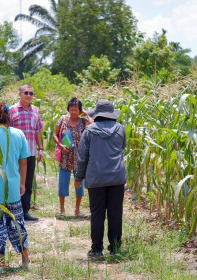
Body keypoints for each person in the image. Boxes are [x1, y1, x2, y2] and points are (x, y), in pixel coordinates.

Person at [0, 102, 31, 268]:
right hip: (13, 187)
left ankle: (1, 263)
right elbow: (23, 162)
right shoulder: (18, 134)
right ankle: (25, 260)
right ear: (8, 116)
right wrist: (22, 184)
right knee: (17, 223)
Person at [74, 99, 127, 259]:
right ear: (112, 115)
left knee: (97, 214)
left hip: (96, 178)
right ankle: (115, 248)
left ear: (97, 114)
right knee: (115, 213)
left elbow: (82, 158)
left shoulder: (89, 131)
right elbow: (122, 146)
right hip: (117, 177)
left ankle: (96, 249)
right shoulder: (120, 129)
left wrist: (78, 178)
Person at [52, 97, 93, 217]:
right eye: (71, 109)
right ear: (68, 109)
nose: (73, 112)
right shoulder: (62, 119)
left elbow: (93, 125)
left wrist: (86, 113)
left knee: (79, 184)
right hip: (65, 156)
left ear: (79, 110)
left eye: (76, 110)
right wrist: (60, 145)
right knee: (62, 184)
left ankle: (77, 209)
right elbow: (55, 134)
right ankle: (62, 210)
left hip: (79, 158)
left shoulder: (83, 121)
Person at [10, 84, 44, 221]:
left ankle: (24, 211)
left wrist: (40, 148)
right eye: (26, 92)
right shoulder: (12, 110)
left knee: (28, 182)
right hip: (16, 154)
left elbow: (37, 131)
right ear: (19, 94)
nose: (29, 95)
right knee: (15, 181)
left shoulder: (35, 110)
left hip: (30, 152)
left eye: (31, 93)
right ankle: (13, 211)